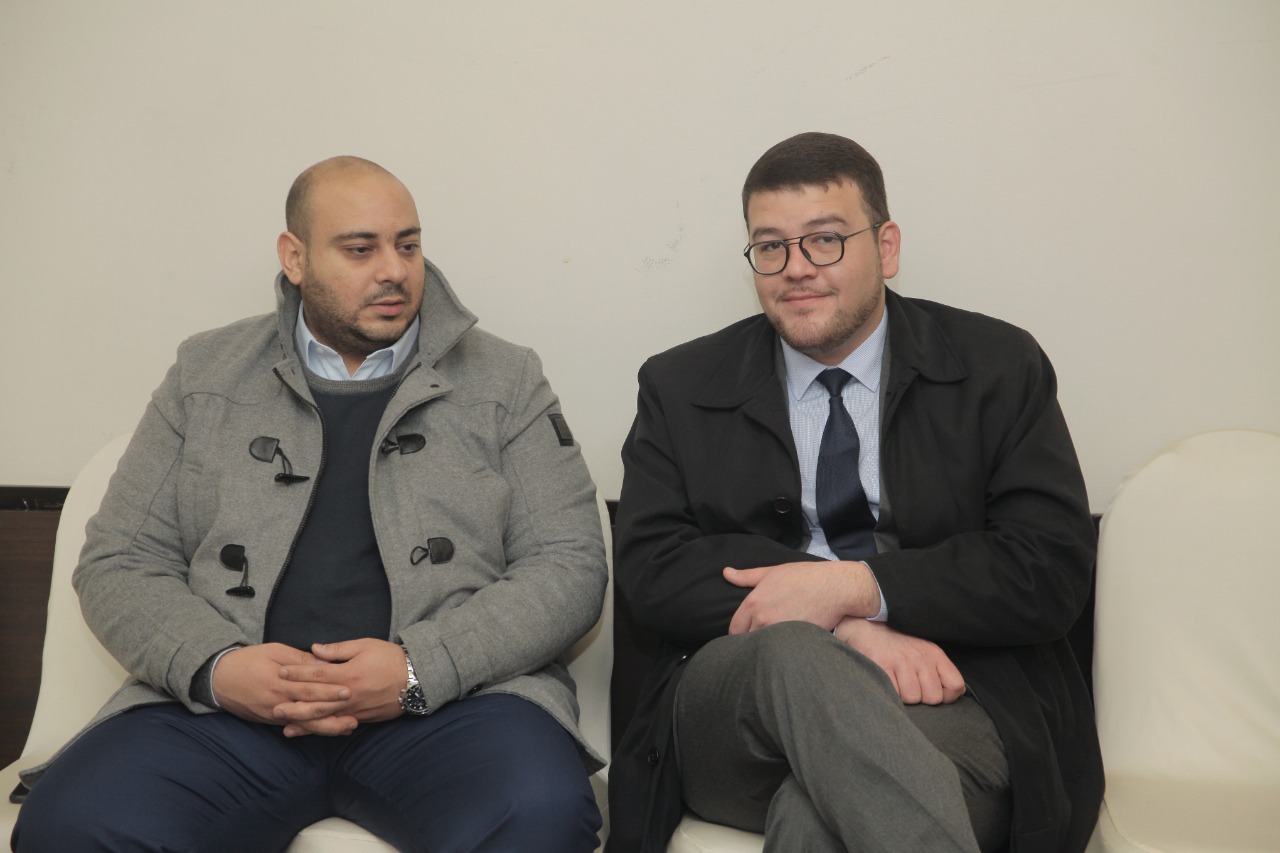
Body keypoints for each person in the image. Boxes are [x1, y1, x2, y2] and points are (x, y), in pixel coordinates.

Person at [13, 156, 608, 853]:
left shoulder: (506, 380)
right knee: (73, 824)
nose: (394, 270)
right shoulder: (204, 374)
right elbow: (119, 561)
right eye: (360, 249)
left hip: (451, 711)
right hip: (227, 720)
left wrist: (419, 668)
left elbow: (569, 565)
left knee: (540, 813)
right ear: (295, 258)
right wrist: (218, 668)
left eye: (408, 245)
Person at [607, 132, 1103, 853]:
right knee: (794, 654)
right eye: (770, 246)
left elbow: (1047, 567)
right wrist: (841, 619)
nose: (796, 268)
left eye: (825, 240)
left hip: (949, 699)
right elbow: (653, 568)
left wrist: (863, 586)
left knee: (822, 822)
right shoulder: (679, 385)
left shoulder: (997, 367)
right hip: (735, 715)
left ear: (887, 247)